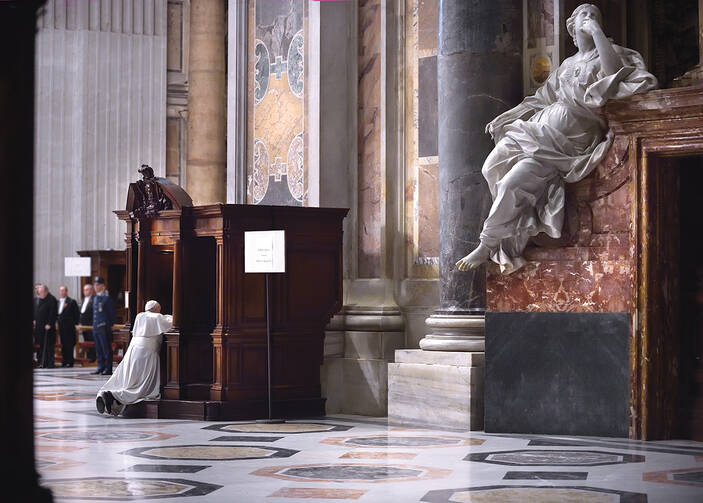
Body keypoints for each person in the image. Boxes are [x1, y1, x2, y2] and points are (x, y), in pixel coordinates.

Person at [456, 3, 657, 274]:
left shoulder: (612, 55)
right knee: (490, 166)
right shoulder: (566, 64)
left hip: (570, 141)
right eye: (584, 15)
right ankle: (512, 223)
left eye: (595, 15)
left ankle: (487, 243)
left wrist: (597, 33)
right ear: (572, 28)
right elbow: (541, 98)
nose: (589, 18)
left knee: (512, 183)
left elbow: (614, 77)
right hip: (540, 127)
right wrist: (507, 116)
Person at [96, 300, 172, 416]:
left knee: (128, 377)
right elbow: (172, 323)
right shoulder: (158, 317)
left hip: (133, 348)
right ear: (156, 309)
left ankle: (109, 396)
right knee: (143, 385)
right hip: (147, 351)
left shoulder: (139, 316)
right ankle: (114, 396)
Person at [92, 276, 115, 375]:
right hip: (96, 326)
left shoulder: (107, 298)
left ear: (103, 286)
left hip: (104, 327)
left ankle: (108, 368)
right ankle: (100, 367)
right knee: (98, 348)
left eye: (98, 285)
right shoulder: (96, 298)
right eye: (95, 285)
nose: (95, 287)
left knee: (106, 348)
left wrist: (110, 325)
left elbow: (111, 313)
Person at [33, 284, 57, 368]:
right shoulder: (40, 299)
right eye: (39, 293)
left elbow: (53, 313)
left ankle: (50, 363)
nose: (40, 294)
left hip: (48, 327)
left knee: (49, 346)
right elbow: (37, 312)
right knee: (41, 345)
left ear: (46, 291)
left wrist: (50, 323)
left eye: (41, 292)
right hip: (40, 327)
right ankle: (42, 362)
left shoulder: (52, 299)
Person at [57, 285, 80, 367]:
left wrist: (75, 324)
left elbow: (76, 314)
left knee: (69, 344)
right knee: (63, 344)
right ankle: (64, 360)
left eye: (63, 291)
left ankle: (70, 361)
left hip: (69, 327)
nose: (61, 292)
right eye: (60, 291)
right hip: (61, 327)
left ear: (66, 292)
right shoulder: (58, 302)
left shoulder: (71, 301)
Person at [79, 283, 96, 362]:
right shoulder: (83, 300)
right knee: (86, 341)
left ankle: (93, 358)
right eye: (84, 290)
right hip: (84, 325)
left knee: (92, 342)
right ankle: (88, 358)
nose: (85, 291)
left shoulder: (94, 299)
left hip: (91, 325)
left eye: (86, 290)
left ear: (91, 290)